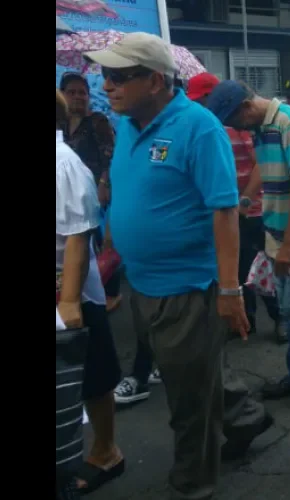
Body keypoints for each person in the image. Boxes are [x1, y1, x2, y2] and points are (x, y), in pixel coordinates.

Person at [84, 32, 271, 499]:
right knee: (189, 373)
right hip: (142, 281)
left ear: (154, 80)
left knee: (188, 400)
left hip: (188, 285)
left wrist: (229, 292)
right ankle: (247, 417)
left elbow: (225, 210)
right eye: (104, 75)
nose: (106, 86)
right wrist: (114, 228)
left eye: (118, 77)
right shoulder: (128, 122)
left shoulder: (198, 128)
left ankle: (192, 484)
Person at [205, 80, 290, 409]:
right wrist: (246, 198)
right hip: (279, 233)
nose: (237, 128)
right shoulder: (263, 127)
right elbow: (263, 169)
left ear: (246, 108)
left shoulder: (289, 122)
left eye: (235, 120)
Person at [56, 89, 124, 496]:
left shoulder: (64, 164)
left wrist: (67, 299)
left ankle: (106, 450)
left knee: (93, 377)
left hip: (73, 292)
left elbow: (79, 234)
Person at [187, 72, 282, 338]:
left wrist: (244, 201)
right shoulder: (209, 127)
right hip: (227, 212)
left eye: (201, 99)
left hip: (252, 211)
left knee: (262, 267)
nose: (199, 105)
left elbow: (261, 165)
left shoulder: (239, 125)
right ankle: (246, 320)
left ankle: (279, 316)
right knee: (240, 270)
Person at [60, 72, 122, 312]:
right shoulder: (61, 124)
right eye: (71, 92)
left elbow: (110, 156)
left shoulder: (98, 121)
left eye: (82, 92)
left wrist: (104, 184)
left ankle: (110, 292)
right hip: (67, 193)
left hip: (95, 190)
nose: (77, 97)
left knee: (100, 242)